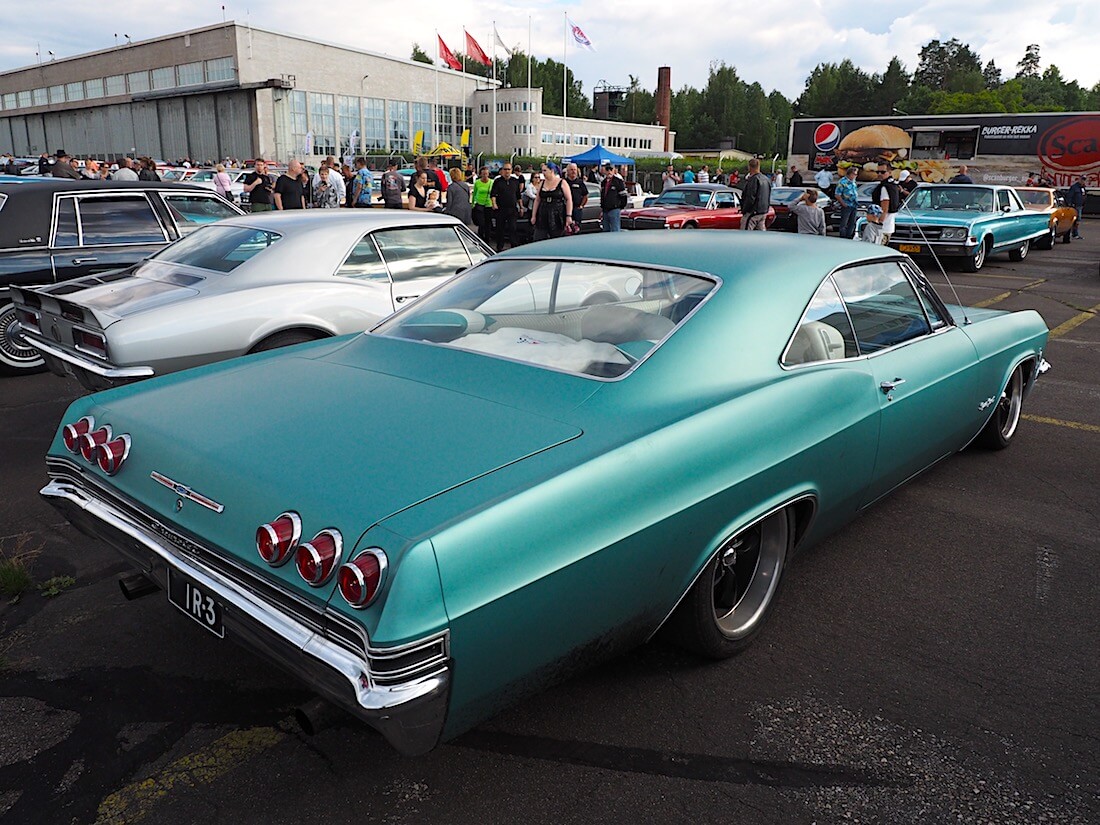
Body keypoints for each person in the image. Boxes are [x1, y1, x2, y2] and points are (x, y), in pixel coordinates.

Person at [530, 162, 573, 240]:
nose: (543, 173)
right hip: (543, 213)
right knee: (539, 237)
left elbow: (569, 199)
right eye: (542, 171)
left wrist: (568, 216)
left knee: (557, 237)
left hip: (557, 214)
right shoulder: (542, 183)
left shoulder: (562, 182)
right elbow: (537, 200)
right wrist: (533, 216)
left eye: (545, 171)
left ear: (551, 170)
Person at [863, 164, 900, 245]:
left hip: (882, 228)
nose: (879, 174)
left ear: (890, 172)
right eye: (878, 172)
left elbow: (885, 207)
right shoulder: (893, 185)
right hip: (889, 226)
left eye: (882, 172)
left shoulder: (884, 187)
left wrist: (879, 223)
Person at [491, 162, 523, 250]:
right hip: (501, 209)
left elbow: (518, 196)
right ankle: (499, 247)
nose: (507, 171)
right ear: (502, 170)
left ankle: (514, 247)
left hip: (512, 209)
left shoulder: (515, 181)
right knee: (500, 229)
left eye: (509, 169)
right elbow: (493, 194)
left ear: (511, 170)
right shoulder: (498, 181)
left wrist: (521, 207)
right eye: (505, 169)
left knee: (513, 228)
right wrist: (494, 203)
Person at [739, 158, 771, 230]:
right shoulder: (766, 179)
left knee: (745, 234)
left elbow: (750, 197)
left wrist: (744, 210)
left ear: (749, 167)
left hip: (752, 212)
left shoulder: (754, 180)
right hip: (763, 211)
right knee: (761, 235)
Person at [834, 165, 860, 240]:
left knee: (852, 223)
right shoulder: (842, 182)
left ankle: (849, 237)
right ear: (850, 174)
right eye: (854, 174)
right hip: (846, 205)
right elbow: (837, 194)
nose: (856, 176)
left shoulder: (853, 182)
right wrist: (843, 204)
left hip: (854, 205)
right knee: (844, 223)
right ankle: (843, 237)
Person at [599, 161, 626, 232]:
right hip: (605, 210)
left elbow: (623, 196)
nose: (609, 171)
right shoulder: (603, 182)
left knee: (615, 229)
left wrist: (619, 206)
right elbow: (602, 196)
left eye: (611, 169)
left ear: (614, 170)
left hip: (614, 209)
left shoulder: (618, 182)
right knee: (605, 230)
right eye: (607, 169)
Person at [471, 166, 494, 242]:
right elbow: (474, 193)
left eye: (486, 174)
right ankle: (480, 237)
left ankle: (487, 238)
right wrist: (473, 204)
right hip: (479, 204)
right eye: (483, 174)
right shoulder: (477, 182)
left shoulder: (492, 182)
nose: (485, 175)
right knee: (481, 223)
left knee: (488, 223)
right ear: (480, 174)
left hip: (489, 204)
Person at [565, 163, 588, 232]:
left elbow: (585, 195)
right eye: (571, 170)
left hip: (576, 209)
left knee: (577, 228)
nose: (573, 171)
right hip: (566, 209)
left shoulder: (580, 182)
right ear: (568, 171)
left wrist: (581, 205)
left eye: (575, 170)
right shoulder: (564, 182)